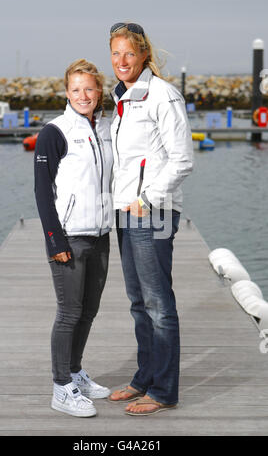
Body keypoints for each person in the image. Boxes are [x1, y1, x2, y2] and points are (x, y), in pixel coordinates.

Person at [107, 23, 193, 415]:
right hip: (126, 212)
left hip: (153, 212)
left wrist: (148, 199)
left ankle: (163, 391)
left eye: (129, 53)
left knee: (158, 304)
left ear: (144, 55)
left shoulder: (163, 95)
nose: (121, 61)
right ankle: (145, 378)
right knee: (138, 302)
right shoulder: (122, 98)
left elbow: (182, 160)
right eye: (115, 54)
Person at [34, 59, 113, 418]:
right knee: (69, 313)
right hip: (69, 236)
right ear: (67, 93)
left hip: (100, 234)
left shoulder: (105, 128)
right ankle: (60, 387)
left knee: (89, 311)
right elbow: (41, 190)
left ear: (98, 92)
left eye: (90, 89)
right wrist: (55, 240)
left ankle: (76, 373)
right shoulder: (56, 130)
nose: (83, 95)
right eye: (76, 89)